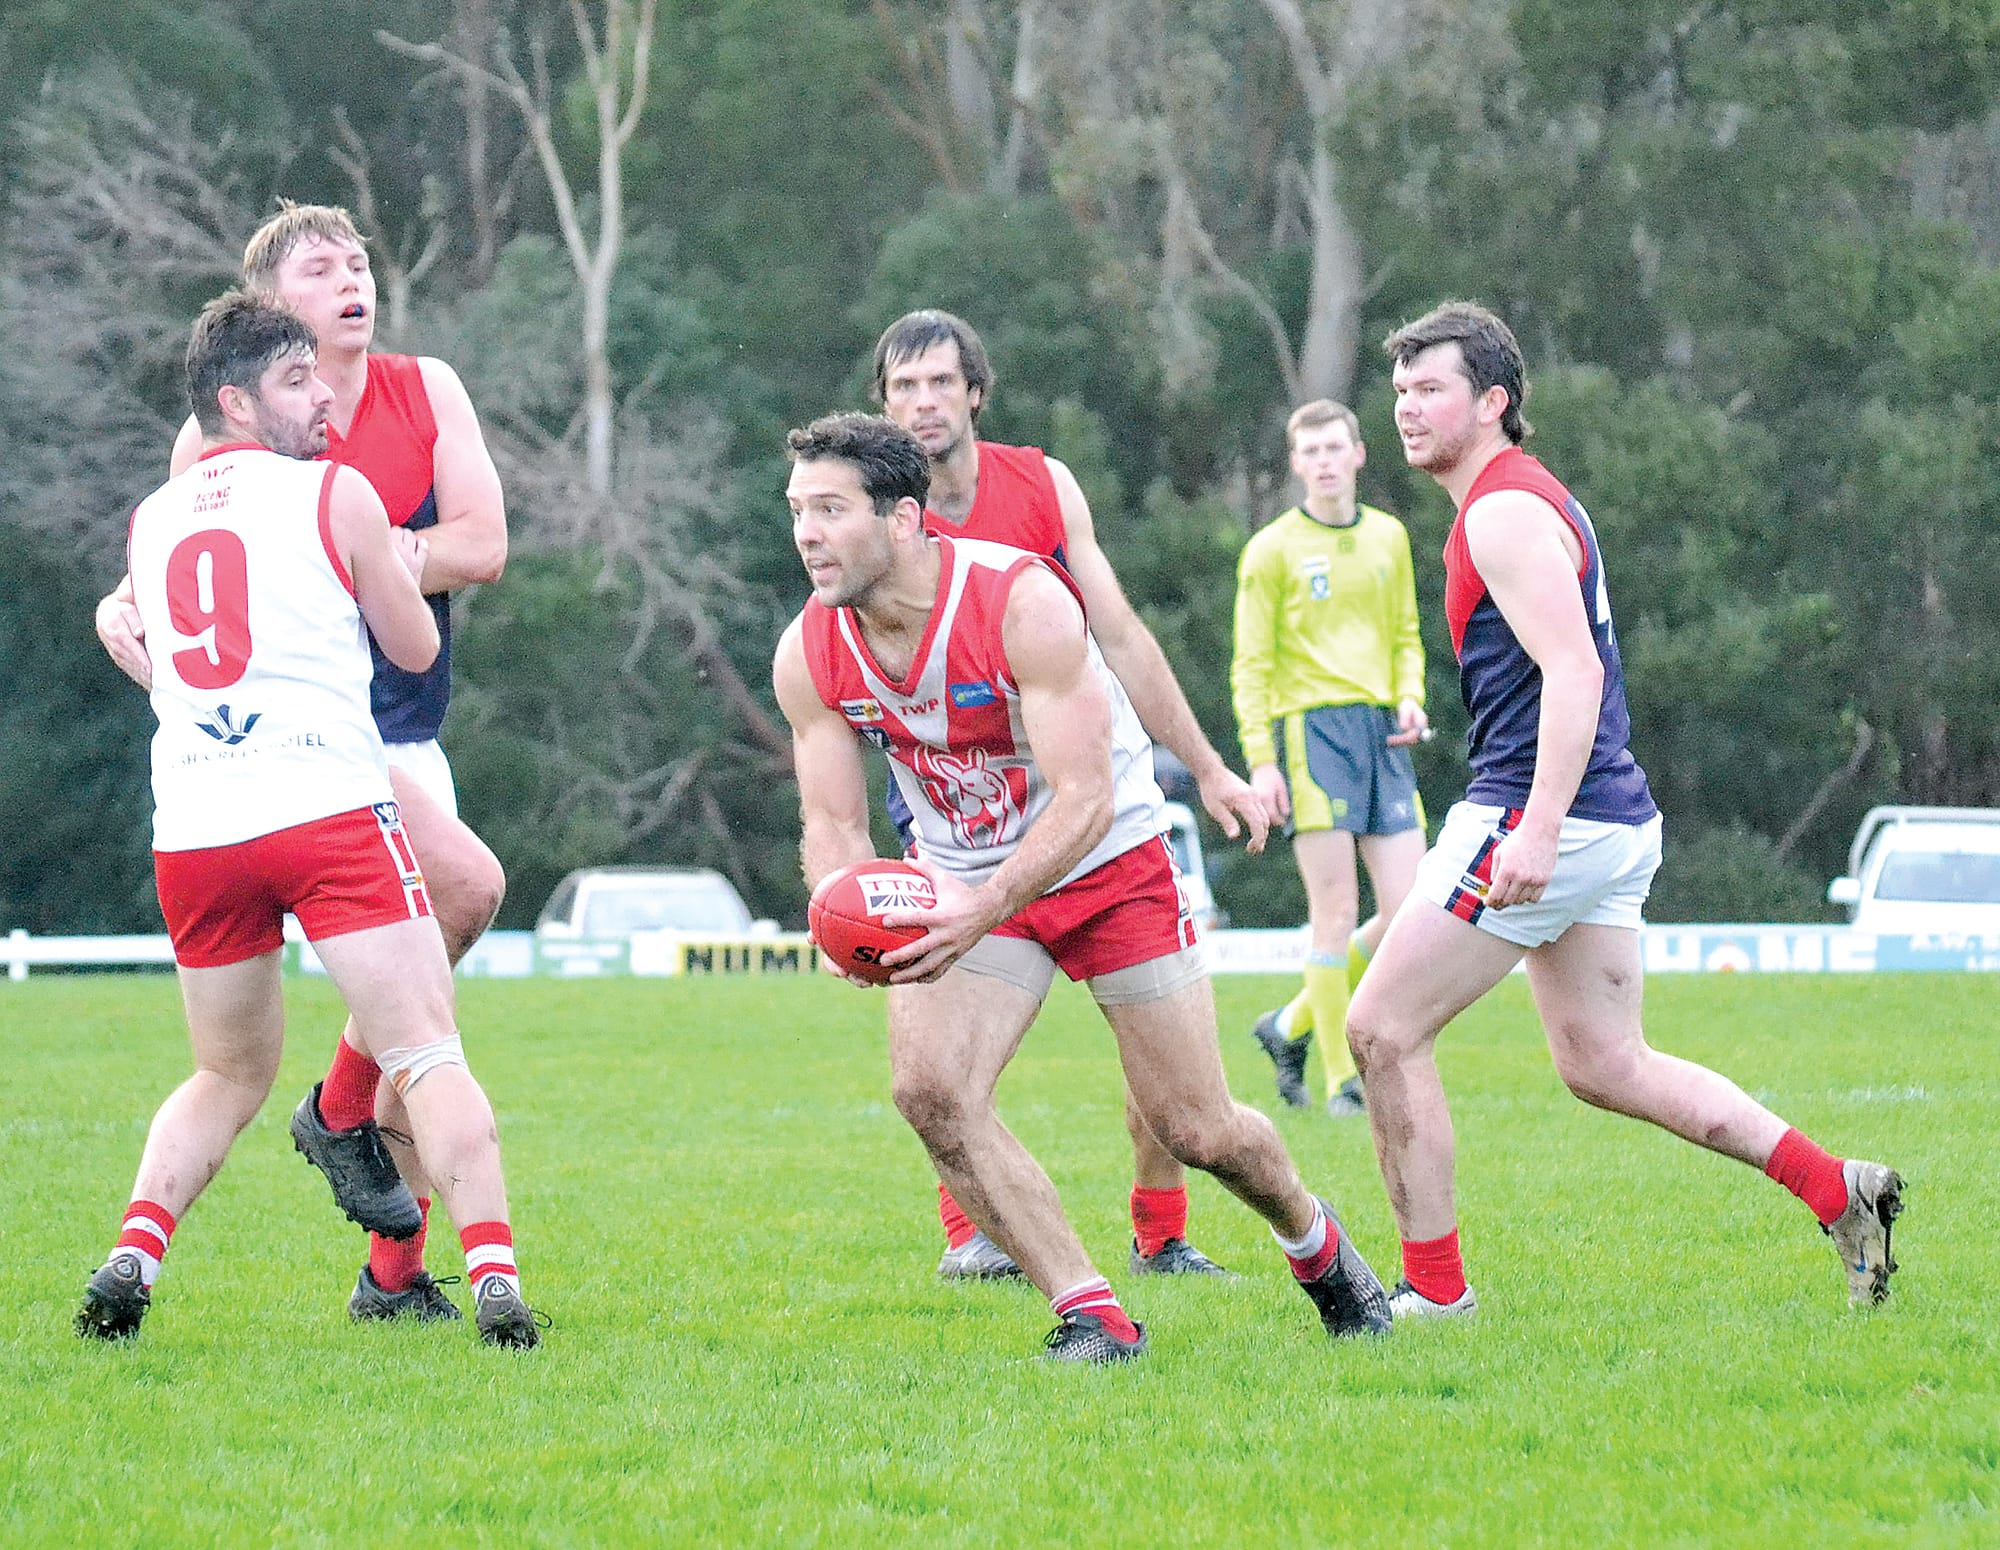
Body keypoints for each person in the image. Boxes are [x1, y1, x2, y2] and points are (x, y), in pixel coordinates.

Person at [771, 412, 1391, 1362]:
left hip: (1105, 859)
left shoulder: (1021, 602)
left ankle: (1316, 1241)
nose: (807, 532)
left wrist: (985, 906)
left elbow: (1088, 798)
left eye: (829, 509)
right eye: (797, 510)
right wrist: (838, 910)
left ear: (902, 519)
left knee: (1198, 1128)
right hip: (960, 873)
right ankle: (1092, 1313)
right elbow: (834, 823)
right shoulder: (806, 652)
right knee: (931, 1094)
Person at [1345, 300, 1904, 1319]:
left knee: (1380, 1028)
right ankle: (1838, 1189)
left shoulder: (1501, 512)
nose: (1405, 409)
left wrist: (1538, 828)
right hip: (1608, 818)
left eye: (1429, 389)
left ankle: (1432, 1297)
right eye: (1398, 391)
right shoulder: (1520, 501)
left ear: (1494, 400)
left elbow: (1571, 673)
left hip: (1541, 815)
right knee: (1604, 1061)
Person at [73, 292, 537, 1348]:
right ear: (235, 400)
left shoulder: (151, 518)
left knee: (226, 1071)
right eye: (295, 379)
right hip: (323, 806)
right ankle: (497, 1276)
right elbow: (415, 650)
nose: (323, 391)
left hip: (197, 827)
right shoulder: (337, 492)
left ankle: (133, 1256)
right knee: (426, 1050)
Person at [872, 309, 1270, 1282]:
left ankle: (1160, 1230)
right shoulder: (873, 513)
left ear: (974, 392)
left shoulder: (1041, 486)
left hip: (1083, 793)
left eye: (937, 382)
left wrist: (1209, 765)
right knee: (940, 1055)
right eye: (900, 387)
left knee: (1164, 1045)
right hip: (954, 804)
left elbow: (1121, 633)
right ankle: (971, 1229)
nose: (920, 401)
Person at [1231, 399, 1429, 1117]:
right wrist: (1261, 760)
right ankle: (1345, 1078)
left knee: (1411, 911)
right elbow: (1249, 665)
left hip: (1382, 731)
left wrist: (1410, 697)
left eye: (1332, 448)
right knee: (1335, 912)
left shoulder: (1389, 538)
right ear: (1295, 463)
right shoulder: (1272, 550)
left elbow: (1406, 633)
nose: (1322, 461)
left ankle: (1288, 1027)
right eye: (1307, 451)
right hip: (1310, 734)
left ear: (1357, 454)